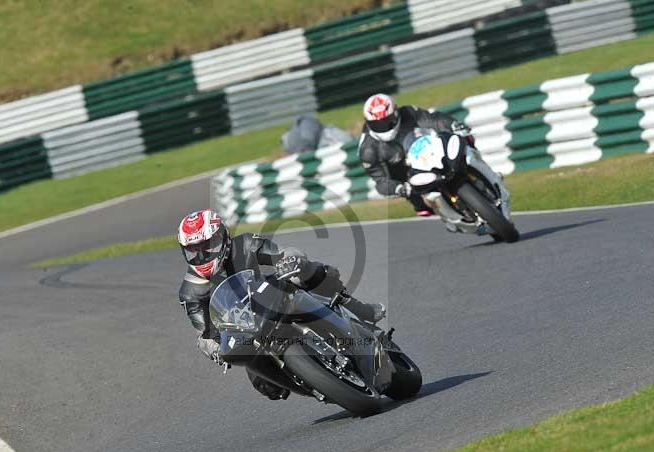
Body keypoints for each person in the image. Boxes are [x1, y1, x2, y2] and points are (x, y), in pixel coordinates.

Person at [177, 209, 386, 400]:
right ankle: (319, 385)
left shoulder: (245, 244)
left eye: (208, 247)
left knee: (312, 273)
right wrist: (215, 349)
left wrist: (288, 261)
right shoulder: (190, 292)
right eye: (193, 251)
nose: (202, 256)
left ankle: (359, 308)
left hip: (276, 293)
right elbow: (205, 332)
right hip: (247, 329)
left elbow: (282, 252)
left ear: (223, 237)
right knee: (266, 385)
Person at [358, 93, 474, 217]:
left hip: (427, 151)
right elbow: (380, 181)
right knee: (423, 207)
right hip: (408, 176)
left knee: (464, 143)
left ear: (396, 113)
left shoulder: (408, 113)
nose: (384, 127)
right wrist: (398, 188)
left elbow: (434, 120)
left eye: (387, 121)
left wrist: (453, 125)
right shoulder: (367, 150)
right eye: (378, 124)